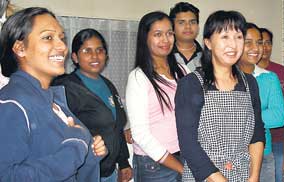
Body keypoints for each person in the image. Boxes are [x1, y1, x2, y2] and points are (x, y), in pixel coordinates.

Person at [0, 7, 107, 181]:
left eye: (62, 38)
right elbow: (7, 176)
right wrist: (76, 145)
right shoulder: (12, 103)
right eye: (48, 37)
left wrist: (90, 152)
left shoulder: (53, 99)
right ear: (20, 48)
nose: (62, 46)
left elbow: (63, 161)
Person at [176, 10, 265, 182]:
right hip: (203, 175)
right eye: (225, 37)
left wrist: (254, 177)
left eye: (239, 37)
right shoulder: (191, 84)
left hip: (243, 173)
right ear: (208, 42)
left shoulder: (249, 83)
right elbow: (188, 145)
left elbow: (257, 134)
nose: (233, 44)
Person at [52, 28, 132, 182]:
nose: (95, 56)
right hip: (83, 174)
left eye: (99, 50)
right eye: (87, 51)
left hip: (109, 173)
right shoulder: (66, 88)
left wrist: (123, 163)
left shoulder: (108, 85)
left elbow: (116, 128)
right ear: (75, 57)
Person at [125, 11, 188, 182]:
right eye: (158, 34)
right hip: (154, 165)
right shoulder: (138, 77)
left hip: (185, 155)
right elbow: (141, 135)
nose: (166, 40)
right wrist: (179, 167)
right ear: (145, 38)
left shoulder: (183, 71)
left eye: (169, 33)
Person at [238, 23, 284, 182]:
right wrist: (259, 116)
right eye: (248, 42)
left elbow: (278, 117)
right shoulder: (224, 76)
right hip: (231, 157)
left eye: (259, 42)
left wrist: (239, 118)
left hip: (264, 156)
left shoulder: (269, 77)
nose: (256, 47)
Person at [257, 27, 284, 182]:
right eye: (260, 42)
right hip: (260, 140)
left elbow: (282, 112)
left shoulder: (282, 72)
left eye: (268, 42)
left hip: (281, 137)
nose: (264, 47)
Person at [169, 2, 202, 71]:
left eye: (192, 22)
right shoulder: (164, 55)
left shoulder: (208, 56)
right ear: (172, 28)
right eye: (181, 23)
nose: (188, 26)